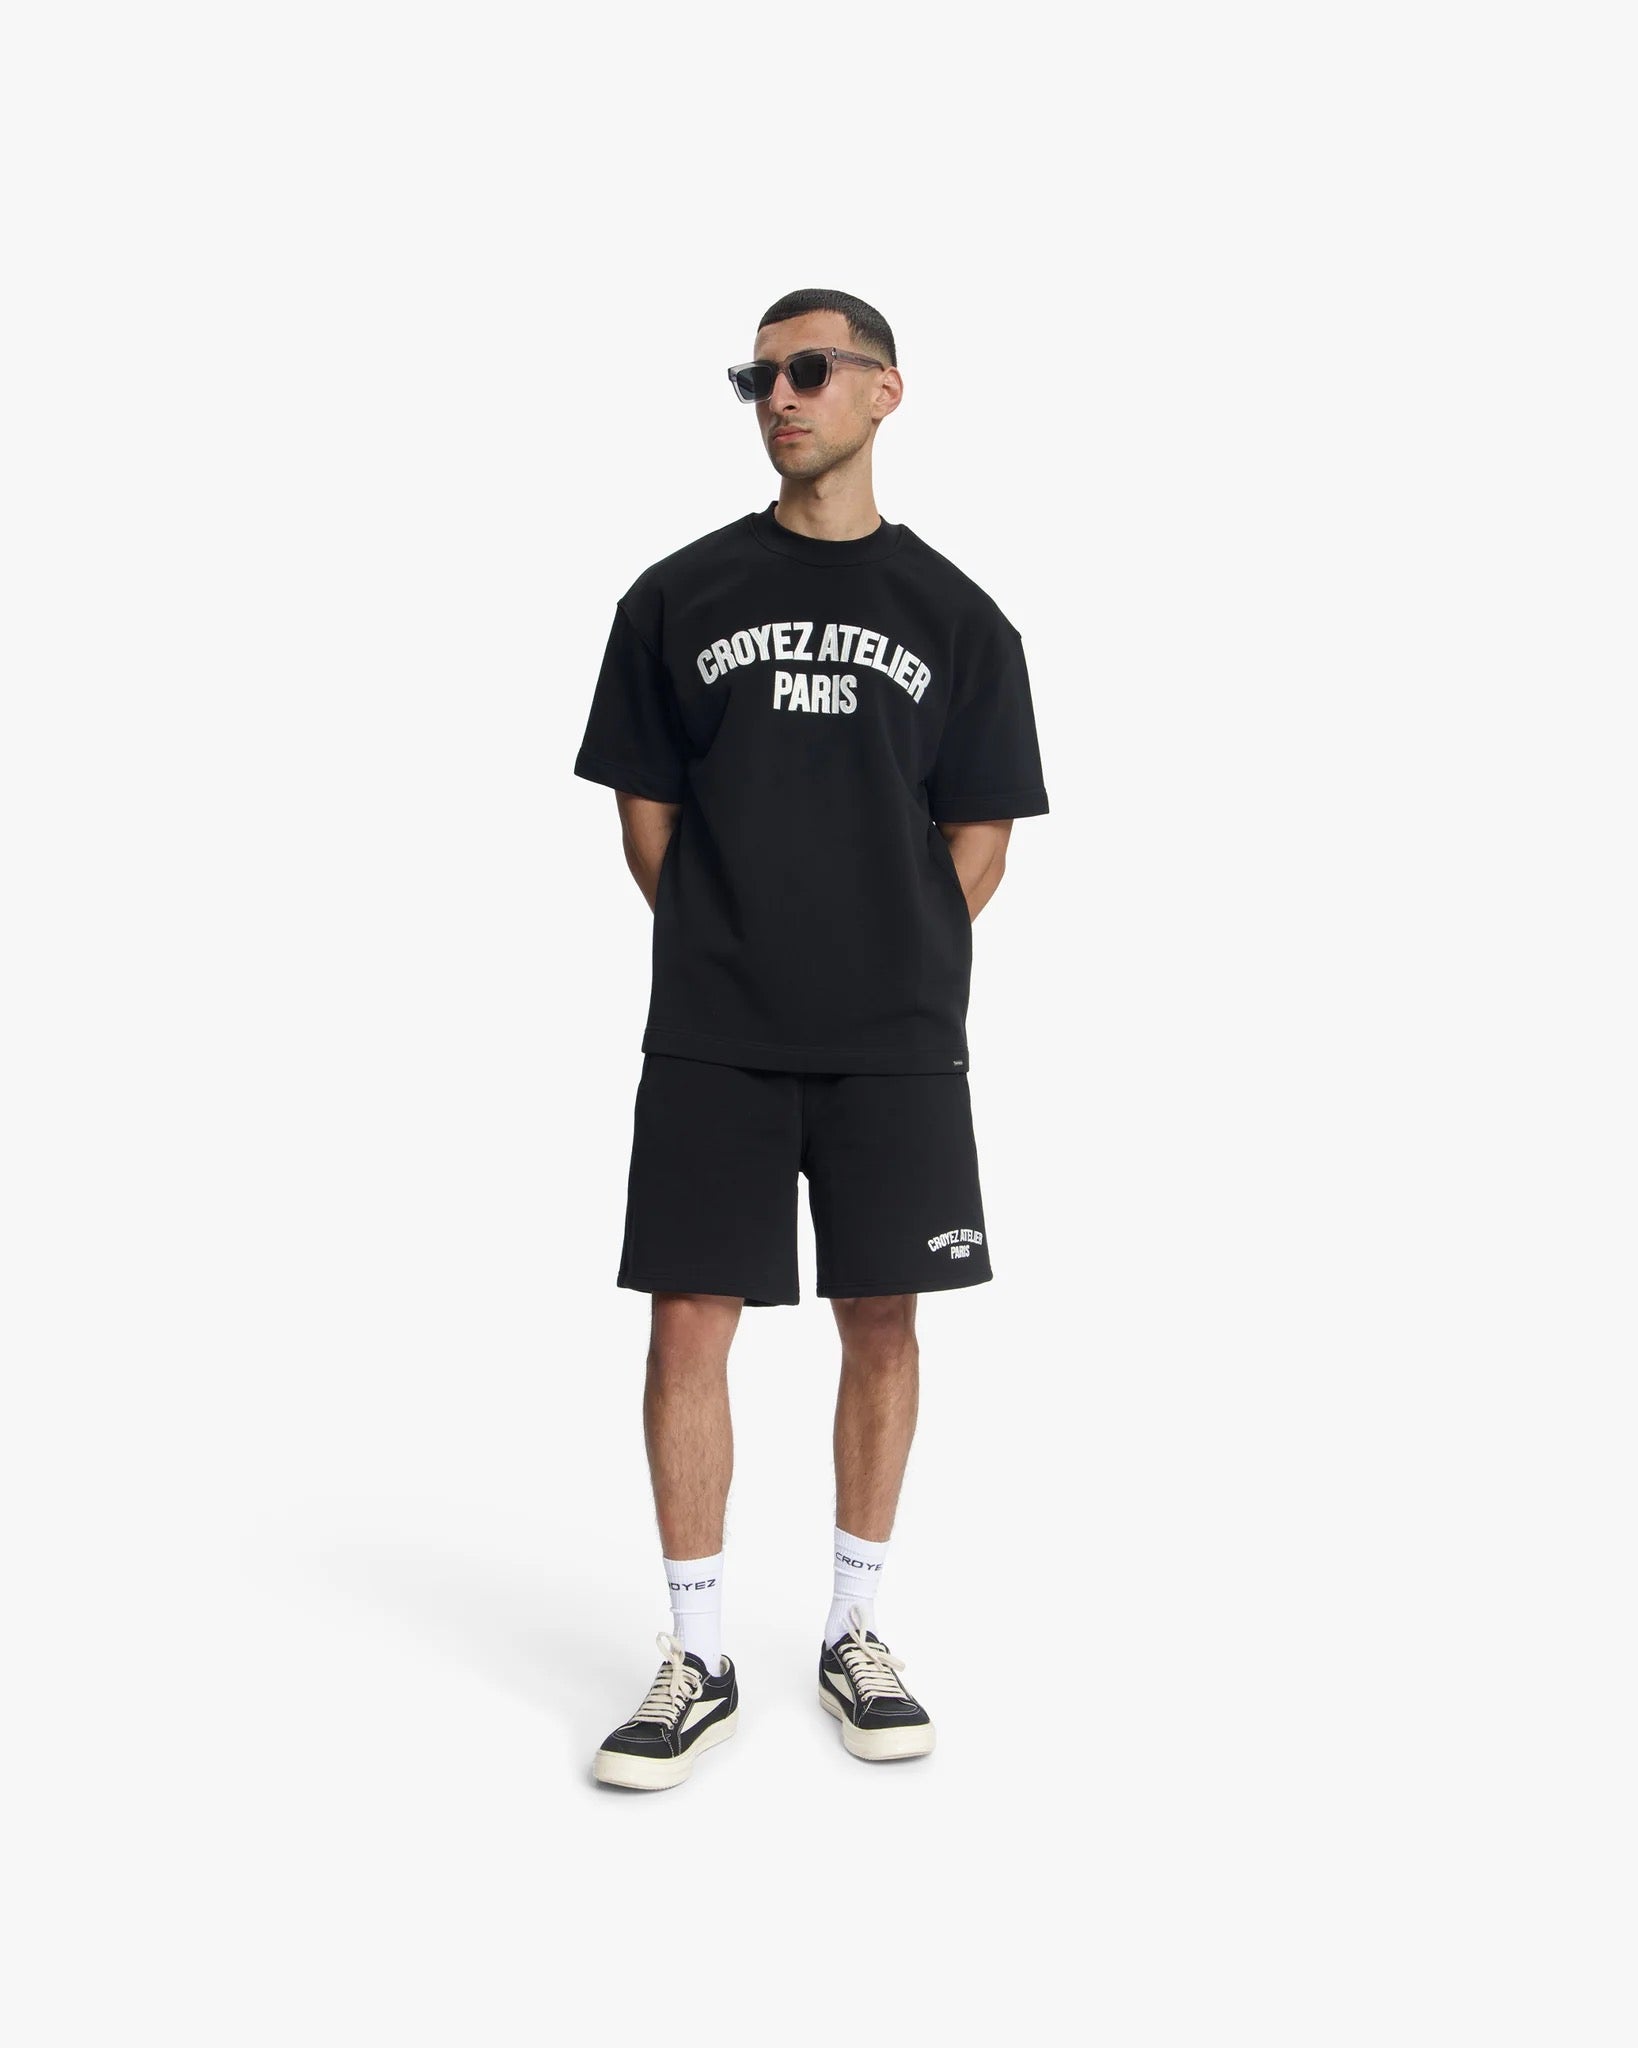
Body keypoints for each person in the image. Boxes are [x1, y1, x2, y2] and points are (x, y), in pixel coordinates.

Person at [573, 288, 1049, 1790]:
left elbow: (981, 835)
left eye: (807, 369)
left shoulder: (962, 619)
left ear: (883, 391)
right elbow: (646, 820)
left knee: (883, 1318)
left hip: (894, 1041)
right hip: (713, 1032)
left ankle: (854, 1631)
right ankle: (697, 1653)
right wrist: (738, 948)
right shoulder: (674, 597)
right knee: (686, 1323)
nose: (778, 396)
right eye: (757, 377)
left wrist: (888, 959)